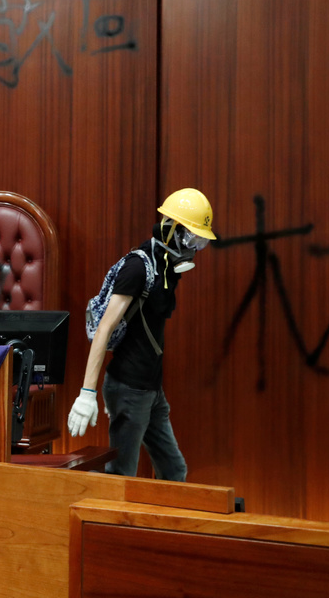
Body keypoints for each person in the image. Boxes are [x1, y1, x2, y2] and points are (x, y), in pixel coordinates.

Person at [66, 188, 216, 481]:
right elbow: (104, 329)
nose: (194, 248)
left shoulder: (167, 267)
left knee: (174, 471)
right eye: (191, 238)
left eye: (199, 242)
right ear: (171, 229)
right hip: (129, 387)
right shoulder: (138, 268)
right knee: (121, 476)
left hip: (151, 389)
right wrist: (87, 393)